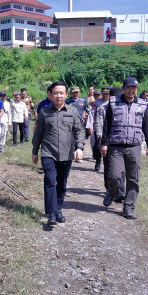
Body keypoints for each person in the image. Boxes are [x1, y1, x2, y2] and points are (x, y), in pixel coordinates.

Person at [31, 81, 85, 226]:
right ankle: (52, 213)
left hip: (66, 154)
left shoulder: (72, 112)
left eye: (61, 93)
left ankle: (58, 209)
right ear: (50, 95)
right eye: (56, 93)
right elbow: (38, 133)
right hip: (48, 152)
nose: (58, 95)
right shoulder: (44, 112)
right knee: (50, 180)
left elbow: (79, 130)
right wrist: (35, 151)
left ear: (66, 95)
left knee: (62, 183)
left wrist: (79, 147)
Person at [100, 77, 148, 219]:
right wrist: (104, 143)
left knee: (133, 178)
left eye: (134, 88)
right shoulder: (113, 103)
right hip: (116, 146)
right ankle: (112, 192)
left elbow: (145, 127)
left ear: (137, 90)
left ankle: (128, 207)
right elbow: (107, 124)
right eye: (128, 88)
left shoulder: (142, 104)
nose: (131, 91)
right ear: (123, 89)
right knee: (114, 176)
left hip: (134, 146)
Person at [97, 87, 125, 202]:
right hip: (107, 141)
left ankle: (120, 191)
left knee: (121, 168)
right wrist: (101, 139)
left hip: (120, 143)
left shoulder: (124, 107)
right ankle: (109, 188)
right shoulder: (103, 107)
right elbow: (99, 123)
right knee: (108, 166)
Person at [86, 87, 105, 171]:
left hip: (107, 128)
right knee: (96, 146)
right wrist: (90, 127)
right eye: (96, 95)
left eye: (98, 95)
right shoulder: (94, 104)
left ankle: (106, 163)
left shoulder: (110, 103)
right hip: (96, 127)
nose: (97, 96)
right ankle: (98, 160)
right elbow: (90, 115)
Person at [66, 86, 87, 163]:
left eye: (77, 92)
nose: (75, 94)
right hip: (69, 123)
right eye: (73, 92)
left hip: (80, 123)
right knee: (71, 138)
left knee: (80, 138)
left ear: (79, 93)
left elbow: (87, 110)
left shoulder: (83, 101)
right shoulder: (67, 101)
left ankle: (79, 155)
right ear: (70, 93)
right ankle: (71, 154)